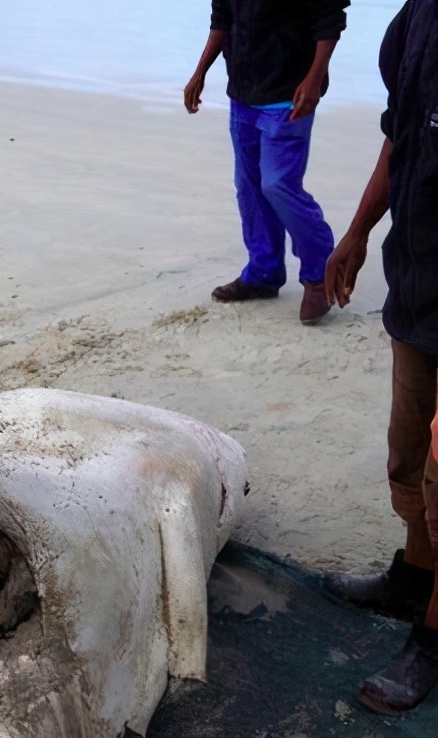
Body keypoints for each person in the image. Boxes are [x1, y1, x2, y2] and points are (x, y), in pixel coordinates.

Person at [321, 0, 438, 714]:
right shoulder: (416, 17)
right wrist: (359, 231)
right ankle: (414, 579)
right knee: (406, 458)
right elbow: (401, 137)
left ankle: (432, 638)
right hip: (421, 289)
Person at [184, 0, 349, 325]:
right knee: (248, 188)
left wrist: (315, 78)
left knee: (277, 185)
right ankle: (263, 273)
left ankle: (320, 272)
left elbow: (329, 18)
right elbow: (222, 19)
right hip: (243, 92)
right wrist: (200, 71)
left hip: (290, 94)